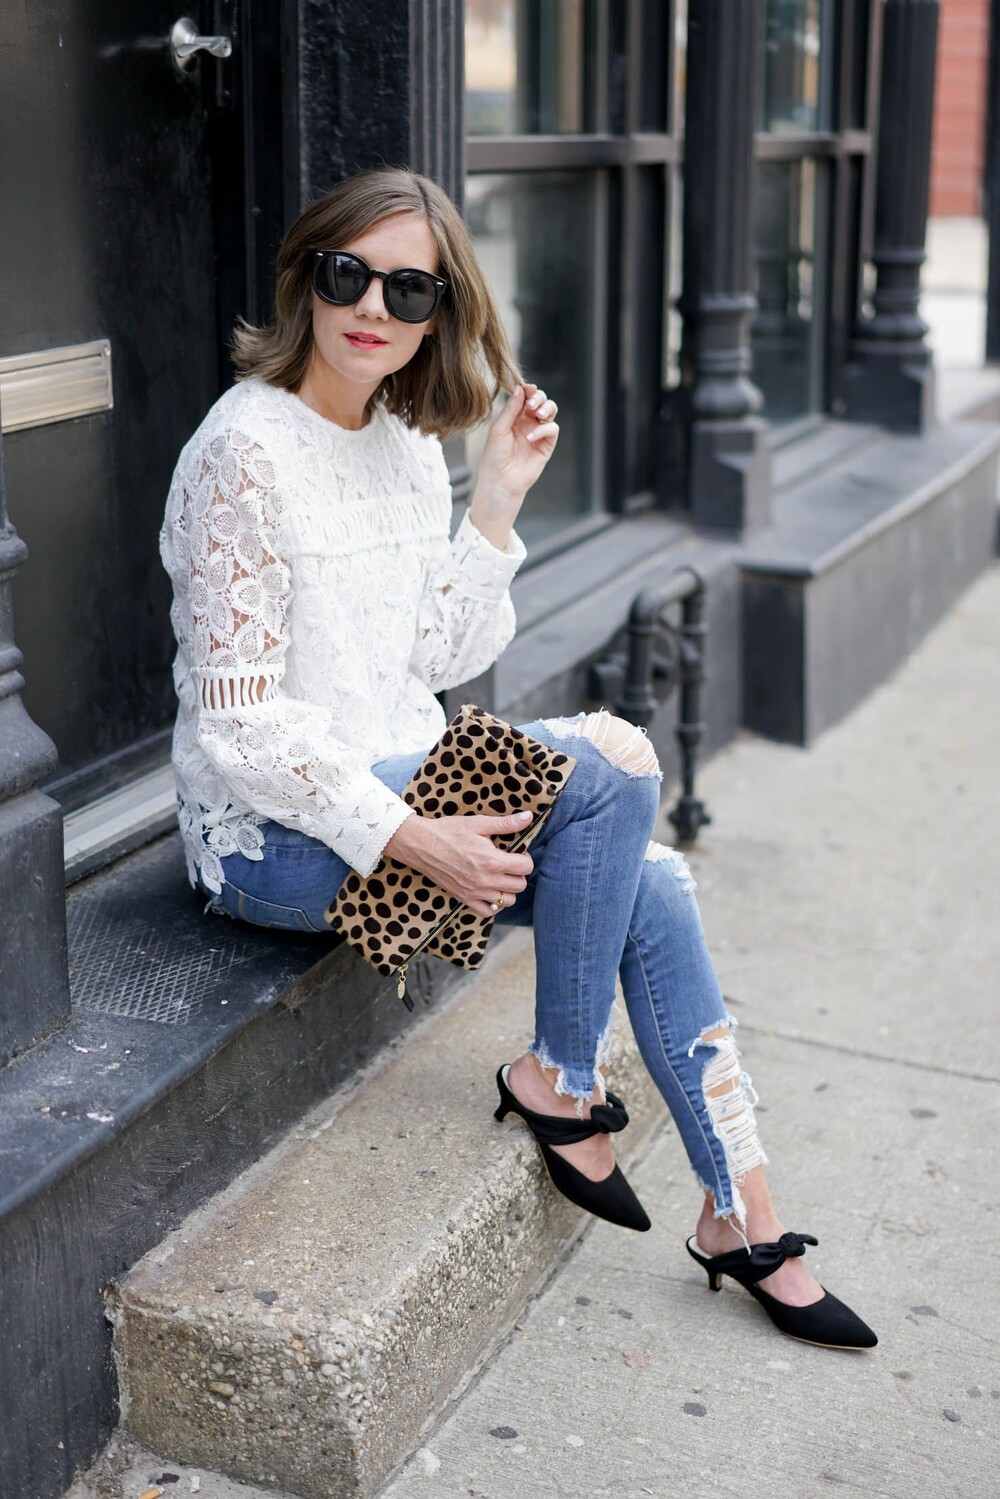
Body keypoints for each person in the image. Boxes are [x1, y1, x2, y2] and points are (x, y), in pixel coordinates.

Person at [159, 166, 876, 1351]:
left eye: (408, 289)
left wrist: (493, 500)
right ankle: (558, 1077)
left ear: (438, 313)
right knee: (615, 760)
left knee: (651, 875)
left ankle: (740, 1210)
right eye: (347, 274)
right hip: (272, 840)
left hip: (404, 790)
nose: (372, 306)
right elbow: (241, 729)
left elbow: (433, 653)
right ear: (304, 278)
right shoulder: (242, 452)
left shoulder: (401, 443)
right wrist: (412, 835)